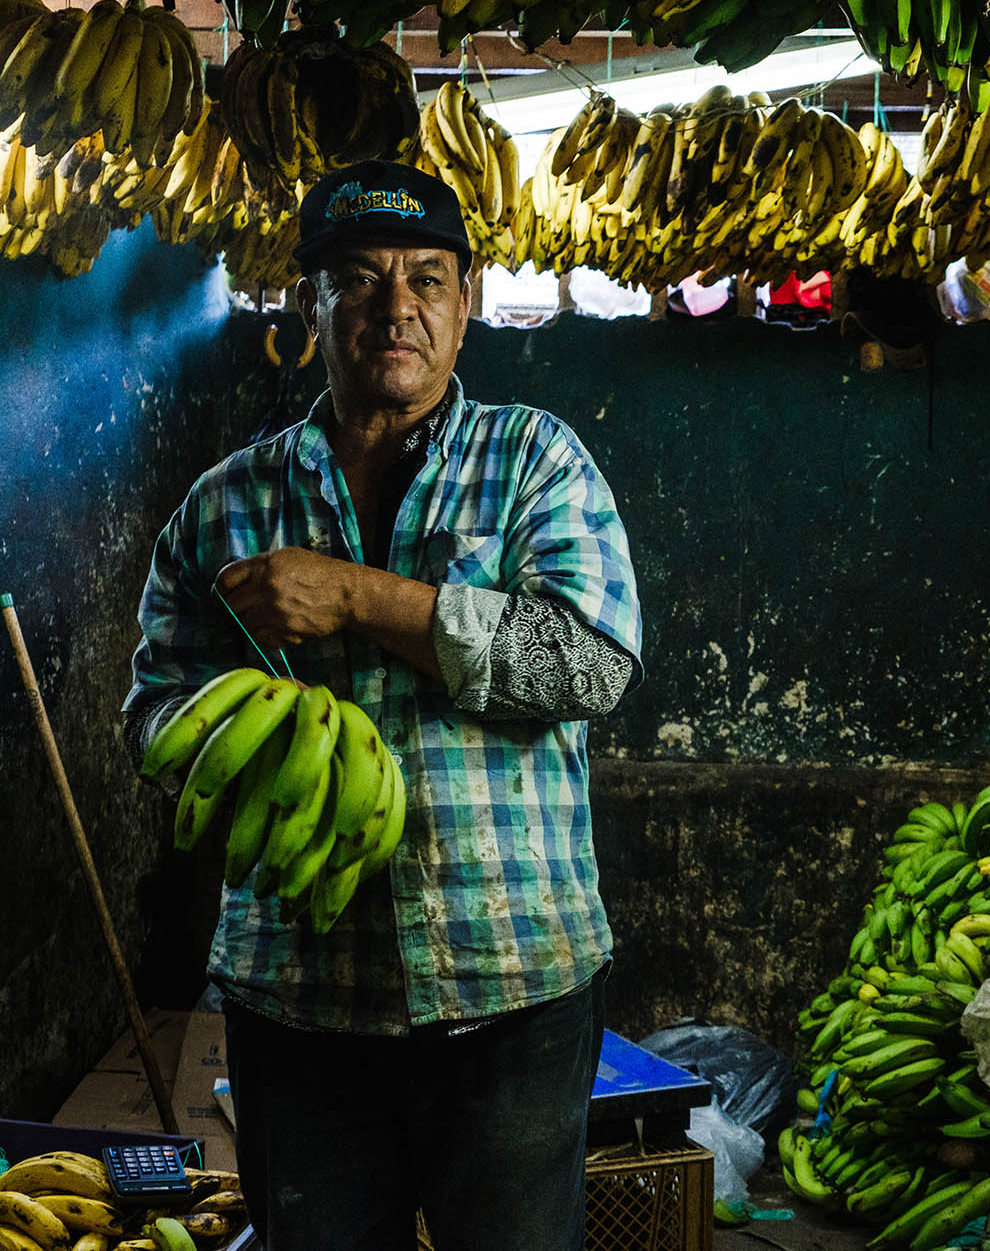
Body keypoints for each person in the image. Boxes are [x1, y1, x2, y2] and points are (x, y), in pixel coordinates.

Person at [122, 160, 644, 1250]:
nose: (393, 306)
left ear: (466, 300)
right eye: (356, 280)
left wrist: (356, 596)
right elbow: (155, 714)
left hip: (512, 987)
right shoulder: (226, 505)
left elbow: (589, 668)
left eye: (426, 277)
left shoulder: (537, 463)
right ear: (304, 302)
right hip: (300, 996)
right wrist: (242, 741)